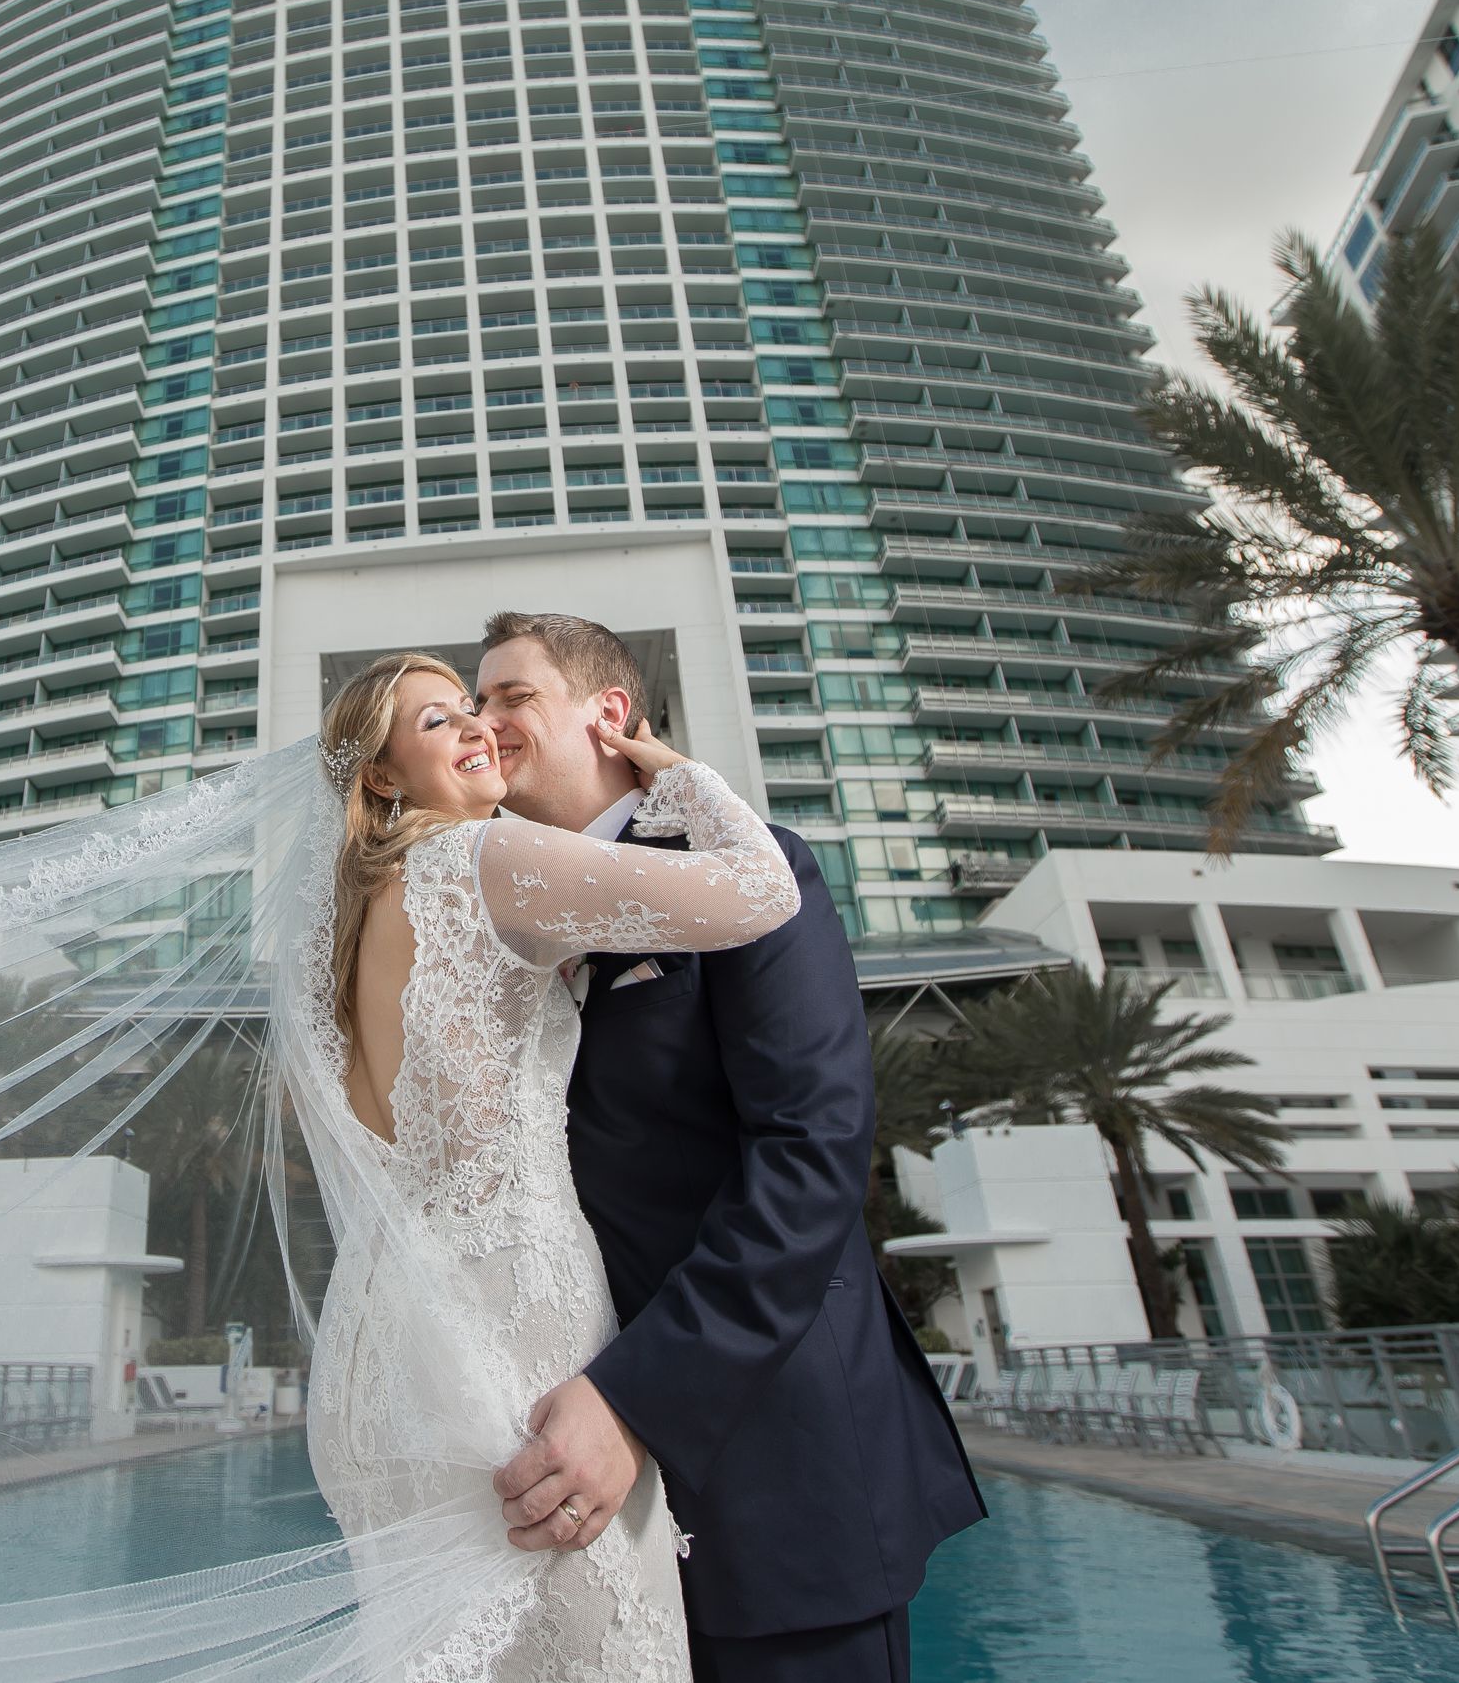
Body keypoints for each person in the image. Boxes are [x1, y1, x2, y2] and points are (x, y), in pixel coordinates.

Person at [472, 612, 985, 1683]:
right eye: (475, 705)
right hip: (572, 1504)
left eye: (511, 696)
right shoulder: (499, 934)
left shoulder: (748, 870)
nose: (486, 723)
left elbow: (812, 1151)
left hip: (777, 1476)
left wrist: (636, 1398)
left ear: (609, 714)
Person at [300, 650, 801, 1681]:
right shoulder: (481, 863)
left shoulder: (337, 937)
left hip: (373, 1350)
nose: (479, 726)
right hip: (510, 1314)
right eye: (441, 722)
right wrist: (664, 766)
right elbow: (761, 891)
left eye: (477, 706)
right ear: (383, 778)